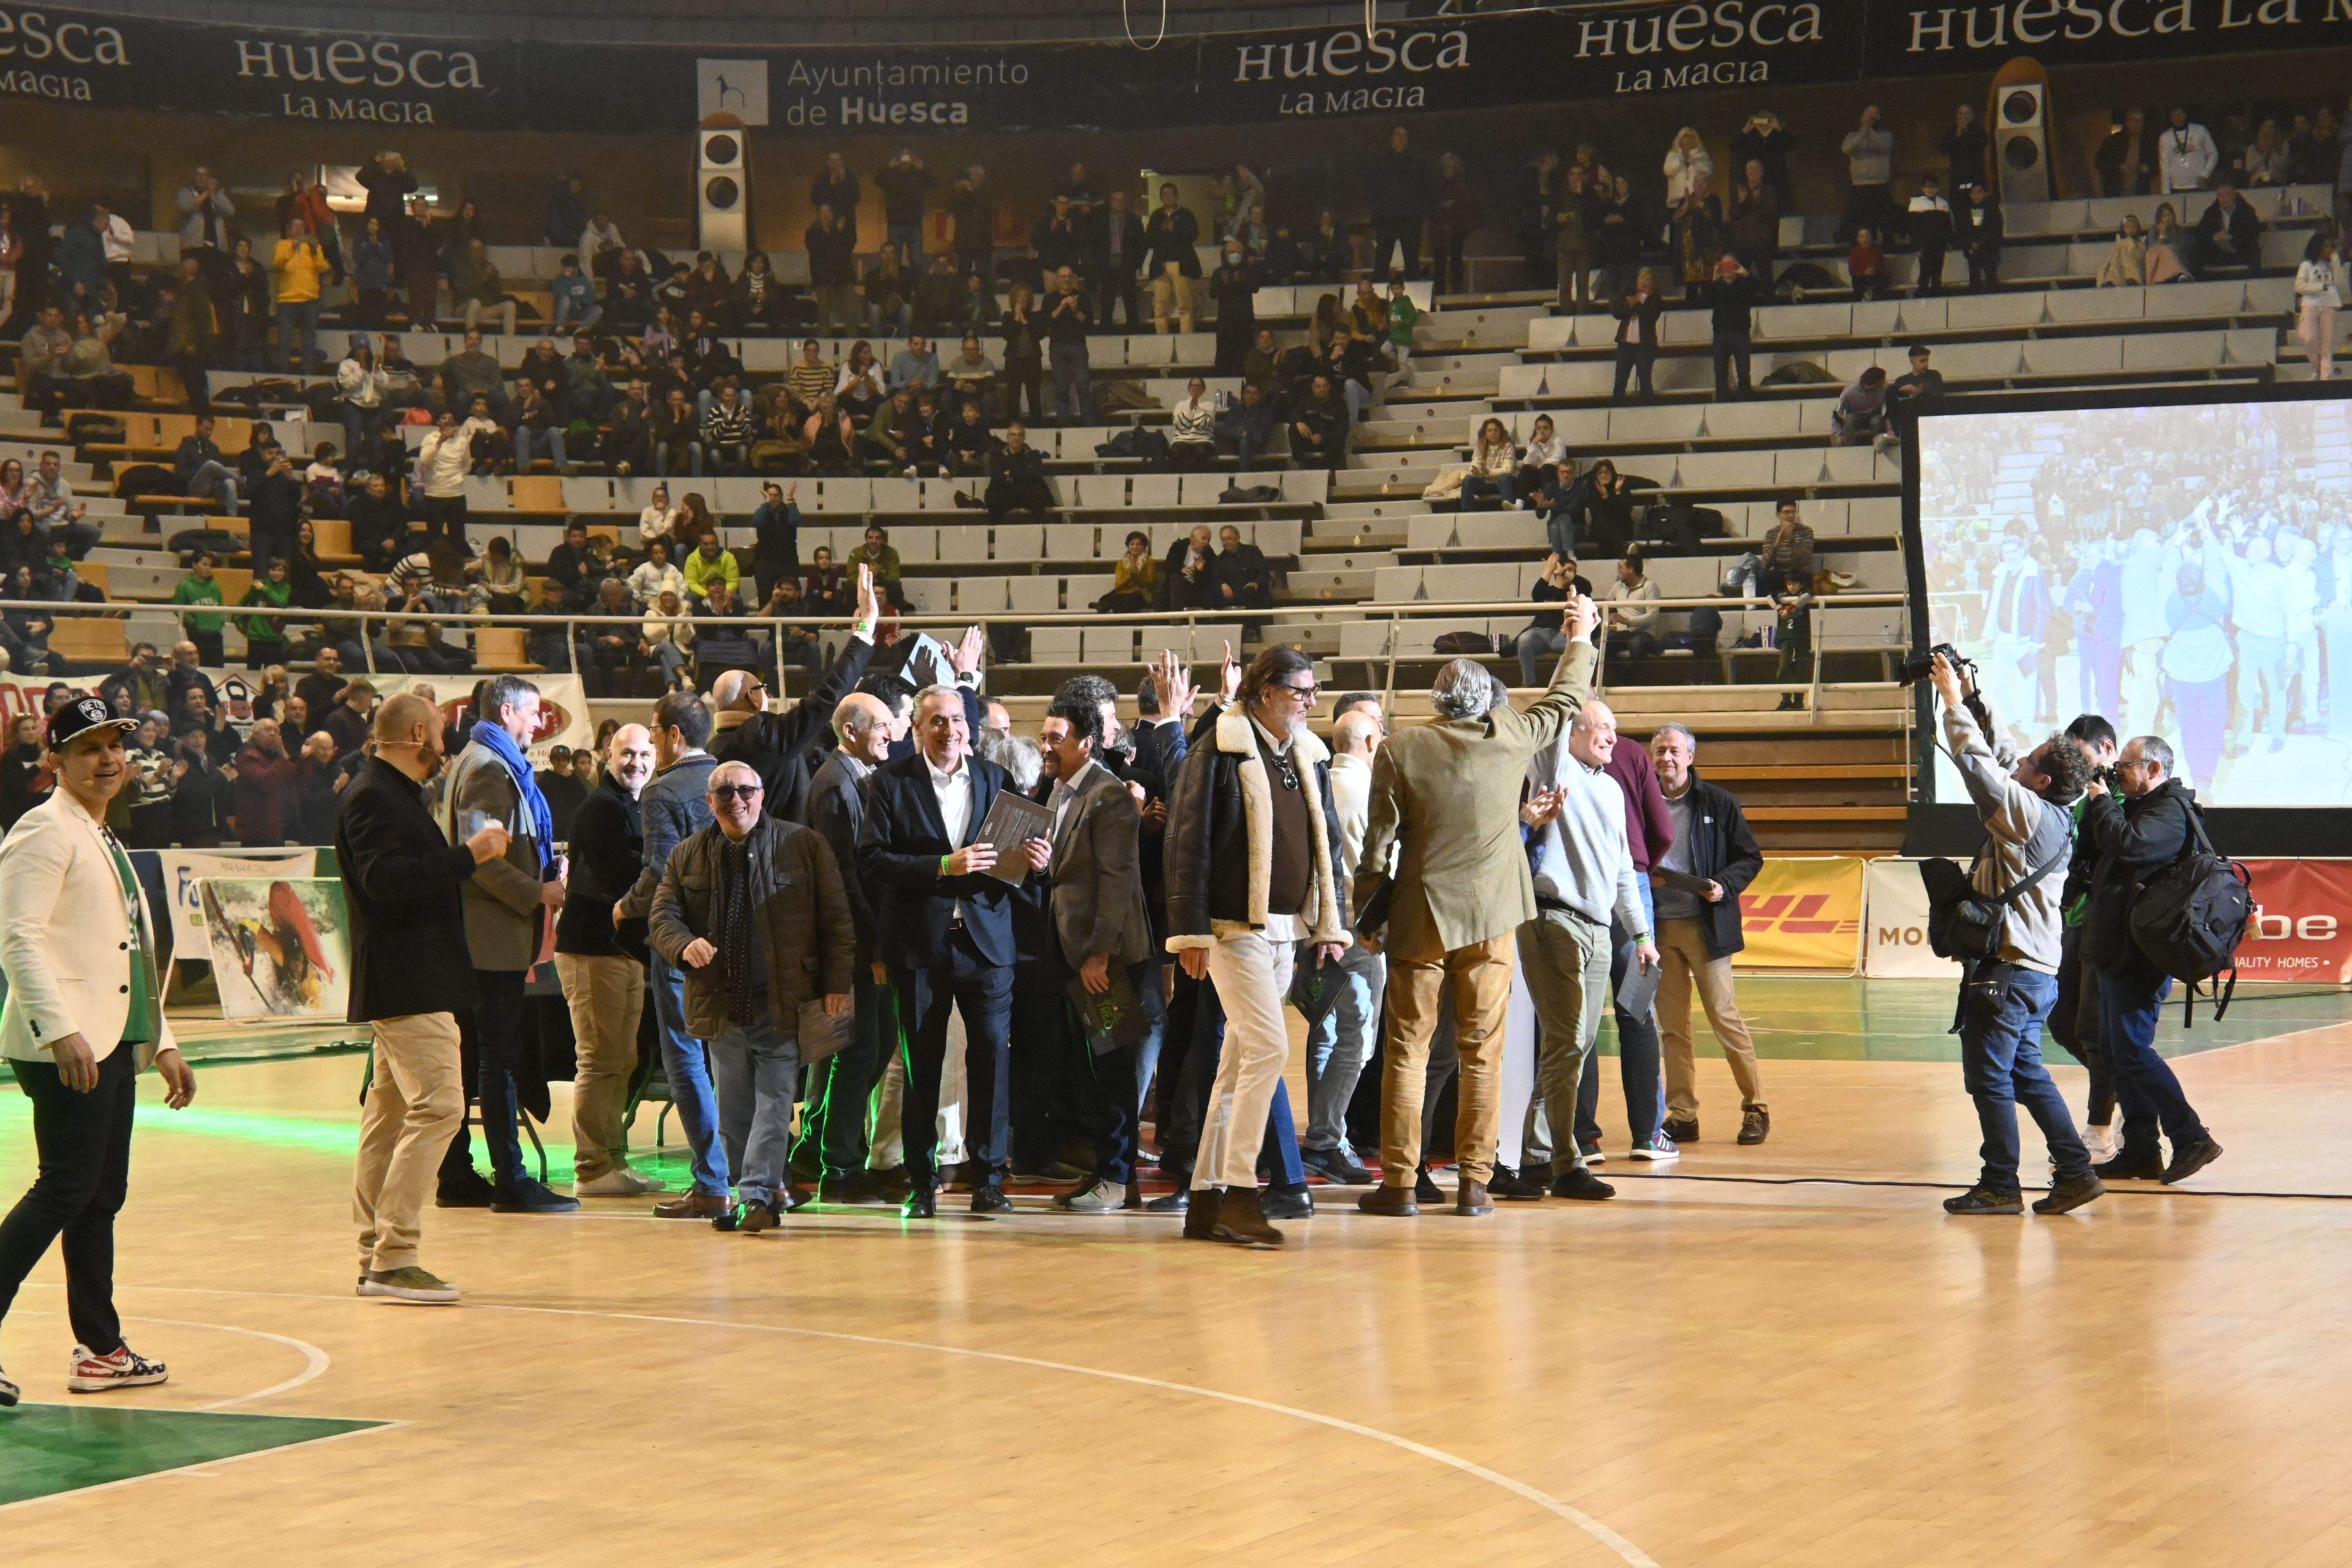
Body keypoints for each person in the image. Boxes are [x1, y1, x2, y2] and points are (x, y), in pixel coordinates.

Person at [0, 697, 198, 1404]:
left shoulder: (103, 834)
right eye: (89, 748)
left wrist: (163, 1040)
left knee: (97, 1197)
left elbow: (131, 955)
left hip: (111, 1038)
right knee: (65, 1188)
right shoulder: (43, 831)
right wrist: (60, 1030)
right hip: (67, 1041)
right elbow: (18, 937)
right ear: (55, 761)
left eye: (115, 744)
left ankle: (100, 1347)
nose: (109, 759)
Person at [1160, 649, 1349, 1247]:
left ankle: (1207, 1198)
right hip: (1229, 928)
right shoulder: (1218, 748)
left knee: (1238, 1063)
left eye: (1314, 692)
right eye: (1302, 691)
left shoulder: (1305, 755)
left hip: (1285, 929)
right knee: (1268, 1047)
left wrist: (1327, 926)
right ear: (1265, 692)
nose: (1311, 702)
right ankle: (1243, 1192)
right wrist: (1190, 934)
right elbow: (1186, 846)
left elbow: (1330, 848)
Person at [338, 692, 510, 1306]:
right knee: (441, 1107)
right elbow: (386, 881)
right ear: (418, 733)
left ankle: (372, 1254)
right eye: (440, 729)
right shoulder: (373, 797)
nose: (447, 738)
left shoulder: (388, 792)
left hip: (409, 977)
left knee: (387, 1119)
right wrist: (471, 856)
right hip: (408, 979)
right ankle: (395, 1255)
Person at [857, 683, 1045, 1218]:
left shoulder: (997, 779)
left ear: (971, 727)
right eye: (936, 721)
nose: (949, 730)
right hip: (918, 947)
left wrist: (1039, 860)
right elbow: (871, 861)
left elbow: (1017, 871)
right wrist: (943, 867)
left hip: (988, 946)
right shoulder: (889, 784)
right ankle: (922, 1182)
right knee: (922, 1066)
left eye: (957, 720)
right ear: (916, 730)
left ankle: (988, 1180)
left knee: (990, 1061)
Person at [1925, 654, 2104, 1216]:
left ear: (2042, 781)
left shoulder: (2026, 814)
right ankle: (2076, 1172)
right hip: (2035, 973)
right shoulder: (2051, 810)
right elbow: (2003, 756)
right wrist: (1976, 696)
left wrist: (1952, 704)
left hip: (2008, 972)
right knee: (2027, 1074)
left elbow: (1980, 765)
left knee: (1989, 1080)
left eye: (2027, 763)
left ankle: (2001, 1183)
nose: (2017, 763)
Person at [649, 760, 854, 1234]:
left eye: (746, 790)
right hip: (722, 1004)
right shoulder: (687, 855)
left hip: (783, 999)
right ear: (709, 803)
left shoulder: (803, 845)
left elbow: (837, 919)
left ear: (762, 796)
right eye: (725, 793)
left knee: (775, 1098)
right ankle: (750, 1193)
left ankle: (759, 1194)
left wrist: (837, 984)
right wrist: (683, 944)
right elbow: (662, 916)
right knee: (734, 1108)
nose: (736, 800)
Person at [443, 676, 578, 1215]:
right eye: (532, 714)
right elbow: (482, 858)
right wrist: (537, 891)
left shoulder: (485, 760)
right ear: (506, 711)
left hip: (489, 936)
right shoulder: (488, 768)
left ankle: (457, 1174)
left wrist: (544, 865)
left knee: (476, 1056)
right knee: (496, 1059)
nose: (538, 723)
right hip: (490, 937)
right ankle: (511, 1179)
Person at [2081, 734, 2224, 1185]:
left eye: (2126, 766)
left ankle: (2192, 1136)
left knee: (2133, 1051)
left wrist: (2103, 800)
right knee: (2115, 1052)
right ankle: (2142, 1149)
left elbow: (2130, 846)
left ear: (2154, 769)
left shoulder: (2170, 812)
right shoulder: (2143, 805)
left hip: (2140, 955)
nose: (2117, 773)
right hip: (2117, 946)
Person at [1036, 697, 1161, 1212]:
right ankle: (1112, 1177)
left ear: (1087, 742)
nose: (1046, 746)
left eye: (1056, 738)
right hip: (1076, 952)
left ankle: (1115, 1176)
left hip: (1108, 959)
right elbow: (1066, 870)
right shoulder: (1063, 791)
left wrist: (1099, 956)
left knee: (1115, 1071)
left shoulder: (1107, 795)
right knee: (1097, 1068)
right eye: (1043, 736)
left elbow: (1118, 882)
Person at [612, 692, 734, 1217]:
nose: (654, 742)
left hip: (682, 943)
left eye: (657, 733)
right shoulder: (735, 779)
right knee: (734, 1059)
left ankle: (711, 1181)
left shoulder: (661, 791)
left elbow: (660, 869)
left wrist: (624, 907)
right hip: (738, 938)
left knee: (685, 1058)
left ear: (673, 736)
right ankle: (753, 1176)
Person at [799, 694, 909, 1205]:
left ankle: (824, 1144)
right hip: (855, 944)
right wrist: (877, 943)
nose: (890, 734)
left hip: (866, 939)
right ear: (849, 730)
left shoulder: (854, 777)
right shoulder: (835, 786)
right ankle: (837, 1167)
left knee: (880, 1041)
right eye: (882, 726)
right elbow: (847, 877)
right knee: (859, 1049)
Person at [1647, 724, 1768, 1146]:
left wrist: (1724, 884)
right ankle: (1683, 1115)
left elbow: (1751, 857)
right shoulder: (1642, 804)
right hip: (1659, 930)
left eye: (1674, 750)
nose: (1666, 758)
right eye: (1660, 750)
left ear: (1690, 756)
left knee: (1724, 1017)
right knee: (1673, 1028)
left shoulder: (1719, 802)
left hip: (1707, 927)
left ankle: (1756, 1107)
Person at [1303, 704, 1385, 1185]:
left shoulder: (1317, 781)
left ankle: (1322, 1134)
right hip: (1358, 929)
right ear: (1370, 743)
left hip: (1313, 926)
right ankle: (1326, 1138)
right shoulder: (1371, 789)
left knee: (1325, 1031)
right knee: (1358, 1039)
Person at [1762, 496, 1818, 710]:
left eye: (1793, 512)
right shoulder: (1771, 534)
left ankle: (1799, 700)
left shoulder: (1806, 532)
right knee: (1765, 576)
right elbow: (1766, 562)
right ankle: (1786, 698)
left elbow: (1804, 558)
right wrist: (1779, 541)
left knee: (1801, 662)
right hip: (1779, 577)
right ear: (1778, 515)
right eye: (1786, 512)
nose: (1790, 516)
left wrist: (1792, 538)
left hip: (1801, 576)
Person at [1369, 124, 1431, 279]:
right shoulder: (1381, 162)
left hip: (1410, 218)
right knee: (1383, 257)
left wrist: (1419, 212)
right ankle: (1378, 295)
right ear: (1392, 139)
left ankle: (1414, 294)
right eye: (1398, 136)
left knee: (1411, 258)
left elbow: (1426, 189)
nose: (1401, 140)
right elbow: (1373, 188)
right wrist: (1379, 211)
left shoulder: (1417, 163)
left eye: (1405, 136)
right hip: (1386, 218)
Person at [1839, 105, 1897, 243]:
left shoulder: (1886, 135)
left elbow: (1884, 147)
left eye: (1875, 115)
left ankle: (1889, 248)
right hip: (1860, 186)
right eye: (1868, 115)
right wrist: (1863, 131)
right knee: (1859, 221)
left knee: (1884, 220)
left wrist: (1870, 130)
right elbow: (1847, 149)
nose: (1871, 118)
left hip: (1879, 185)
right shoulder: (1853, 136)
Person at [1706, 254, 1758, 400]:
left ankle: (1745, 396)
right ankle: (1722, 398)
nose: (1728, 269)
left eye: (1731, 265)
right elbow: (1705, 299)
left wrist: (1745, 273)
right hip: (1721, 333)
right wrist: (1714, 279)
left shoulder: (1744, 284)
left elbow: (1758, 288)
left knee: (1743, 369)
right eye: (1724, 266)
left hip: (1740, 332)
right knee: (1720, 370)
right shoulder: (1716, 287)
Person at [1611, 270, 1663, 403]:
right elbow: (1617, 313)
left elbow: (1650, 317)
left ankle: (1648, 411)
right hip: (1625, 345)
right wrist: (1630, 304)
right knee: (1620, 382)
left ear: (1652, 283)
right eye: (1641, 278)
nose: (1644, 281)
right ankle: (1617, 411)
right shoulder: (1629, 295)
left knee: (1645, 382)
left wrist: (1637, 304)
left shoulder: (1655, 299)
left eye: (1647, 279)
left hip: (1645, 347)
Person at [2297, 232, 2340, 381]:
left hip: (2330, 304)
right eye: (2326, 246)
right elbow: (2299, 286)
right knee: (2309, 337)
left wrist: (2336, 262)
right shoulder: (2307, 265)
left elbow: (2341, 284)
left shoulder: (2332, 265)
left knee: (2327, 344)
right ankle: (2317, 368)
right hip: (2311, 304)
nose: (2330, 250)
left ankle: (2326, 376)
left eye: (2331, 247)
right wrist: (2321, 287)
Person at [1909, 174, 1955, 296]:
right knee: (1925, 272)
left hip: (1939, 244)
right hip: (1925, 245)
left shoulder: (1943, 204)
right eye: (1927, 187)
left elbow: (1948, 226)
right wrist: (1917, 247)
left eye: (1933, 187)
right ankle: (1923, 296)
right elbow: (1914, 229)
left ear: (1938, 188)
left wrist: (1949, 241)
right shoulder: (1917, 204)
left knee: (1937, 273)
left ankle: (1938, 295)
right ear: (1922, 188)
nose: (1930, 189)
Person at [2159, 106, 2218, 193]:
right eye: (2173, 116)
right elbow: (2165, 166)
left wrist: (2205, 175)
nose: (2177, 119)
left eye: (2179, 115)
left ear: (2185, 115)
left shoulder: (2200, 130)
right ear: (2170, 119)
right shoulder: (2165, 138)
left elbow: (2214, 154)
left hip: (2198, 186)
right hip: (2176, 187)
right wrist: (2166, 193)